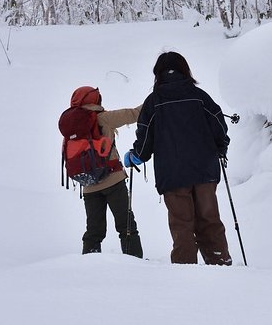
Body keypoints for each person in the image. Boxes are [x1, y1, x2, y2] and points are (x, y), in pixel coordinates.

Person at [124, 52, 232, 265]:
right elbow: (219, 125)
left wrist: (136, 156)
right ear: (185, 70)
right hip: (205, 170)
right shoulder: (199, 96)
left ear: (158, 74)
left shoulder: (154, 102)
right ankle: (220, 264)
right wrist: (221, 148)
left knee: (182, 224)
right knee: (209, 220)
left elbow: (145, 139)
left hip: (172, 175)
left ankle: (185, 271)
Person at [69, 86, 144, 258]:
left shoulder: (72, 125)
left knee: (93, 232)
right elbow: (134, 114)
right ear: (96, 100)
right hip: (113, 180)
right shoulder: (103, 118)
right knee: (126, 226)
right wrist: (156, 95)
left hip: (88, 184)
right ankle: (136, 265)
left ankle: (90, 266)